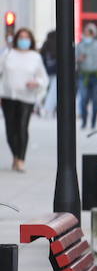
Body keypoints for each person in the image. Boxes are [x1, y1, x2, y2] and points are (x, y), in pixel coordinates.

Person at [1, 28, 49, 172]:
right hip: (8, 95)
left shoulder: (35, 57)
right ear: (16, 39)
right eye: (21, 37)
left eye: (26, 37)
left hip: (27, 97)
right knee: (10, 129)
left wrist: (37, 83)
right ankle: (15, 155)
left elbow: (43, 78)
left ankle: (21, 159)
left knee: (22, 127)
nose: (23, 40)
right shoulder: (8, 54)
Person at [76, 24, 97, 130]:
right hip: (83, 76)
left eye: (89, 34)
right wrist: (78, 60)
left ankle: (93, 122)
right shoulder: (80, 46)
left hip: (96, 76)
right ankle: (84, 121)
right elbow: (74, 61)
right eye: (85, 34)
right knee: (83, 99)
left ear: (93, 34)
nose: (87, 36)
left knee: (95, 100)